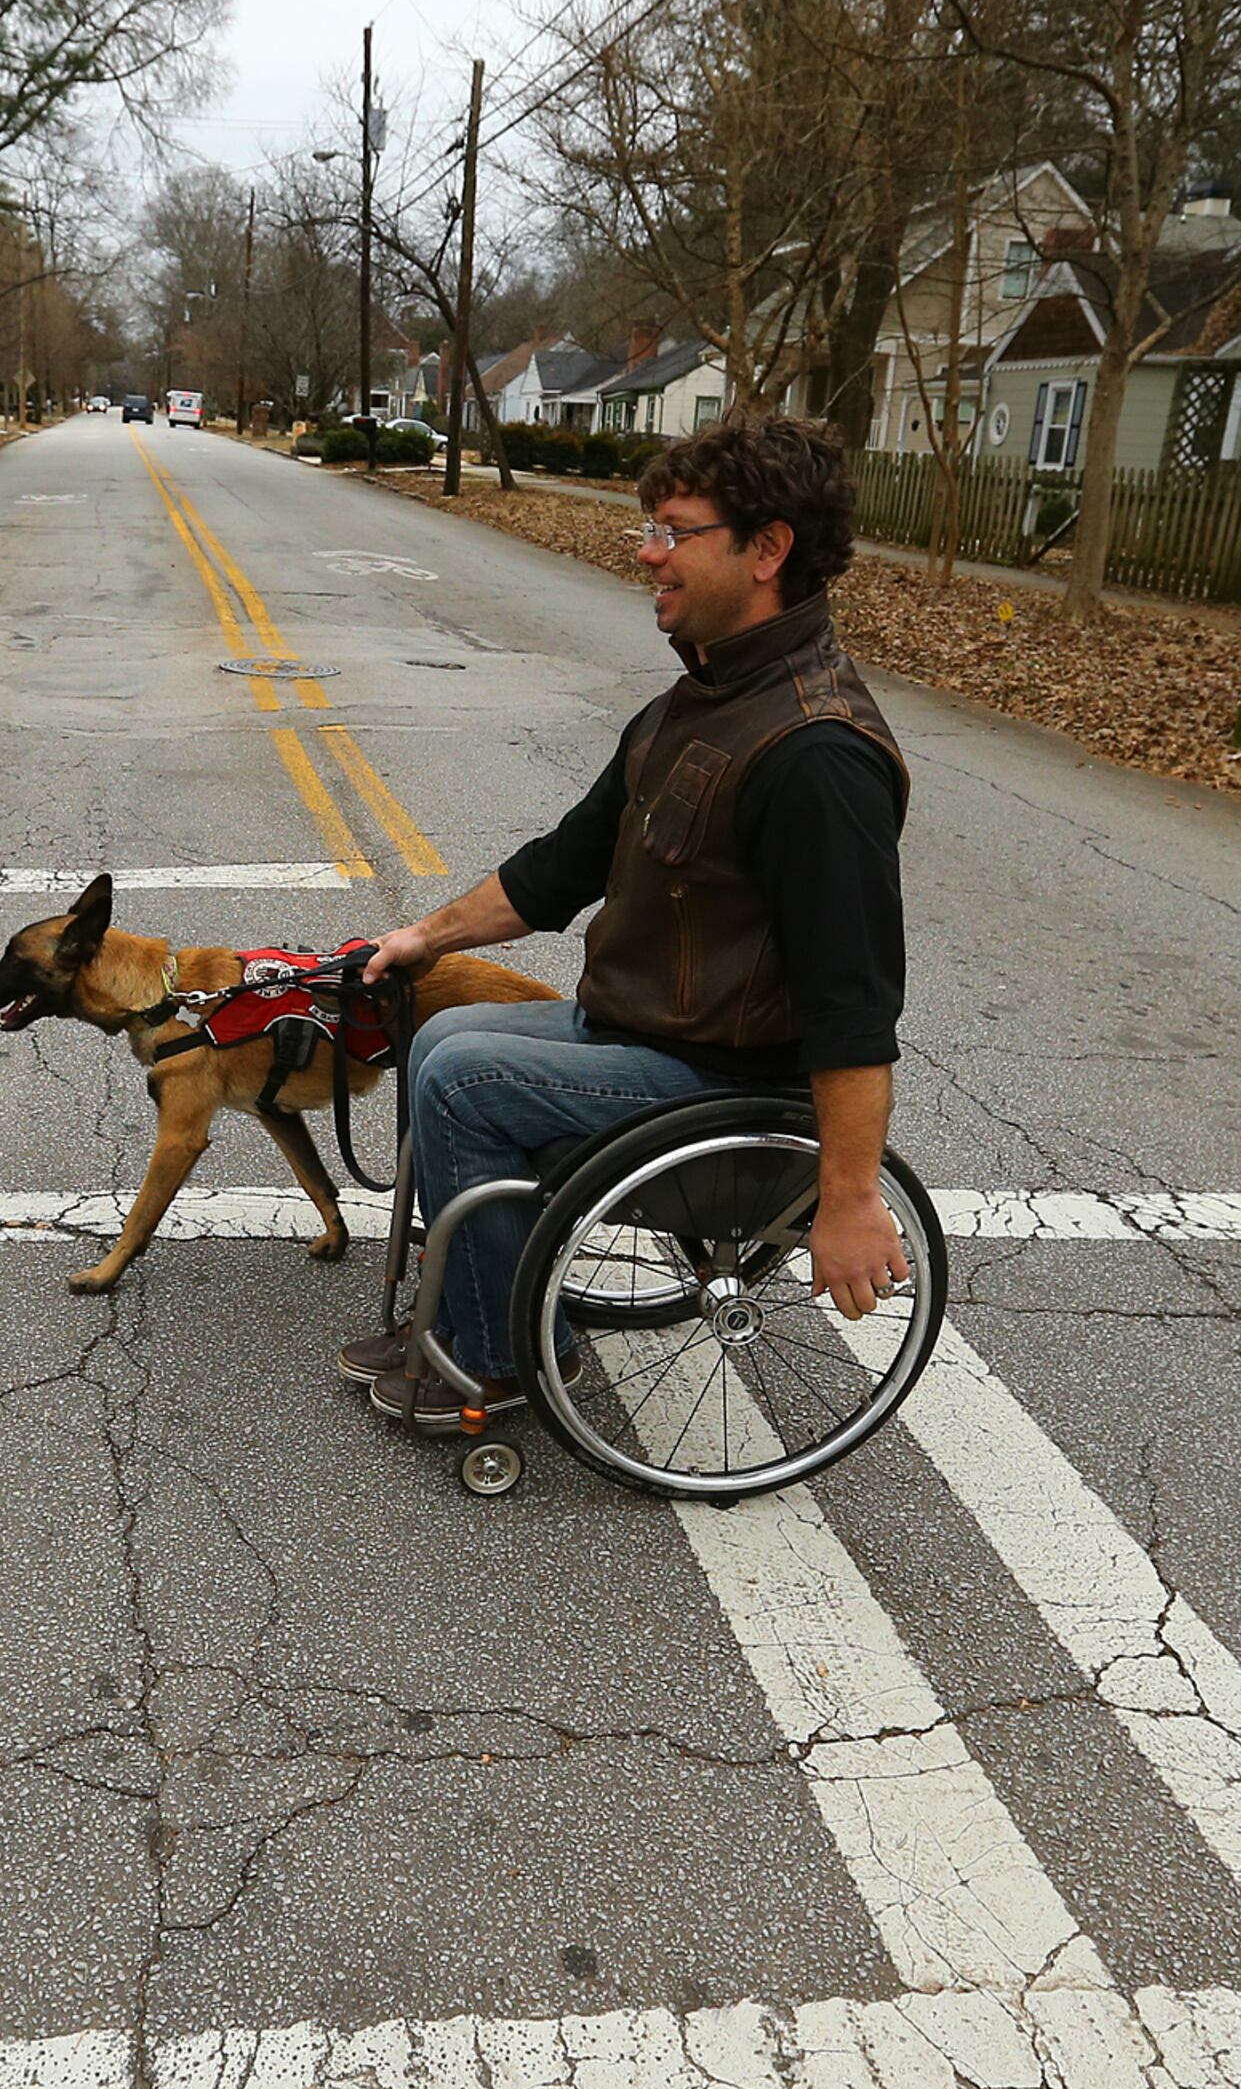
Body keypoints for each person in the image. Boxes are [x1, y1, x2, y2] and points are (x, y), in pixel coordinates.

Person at [342, 410, 911, 1430]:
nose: (646, 552)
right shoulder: (699, 702)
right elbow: (559, 869)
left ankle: (502, 1355)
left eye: (674, 529)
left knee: (466, 1078)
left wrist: (852, 1194)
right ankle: (479, 1304)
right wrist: (423, 938)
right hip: (650, 1035)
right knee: (439, 1031)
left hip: (730, 1084)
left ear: (768, 548)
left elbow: (854, 1003)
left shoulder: (816, 751)